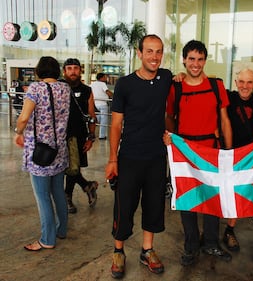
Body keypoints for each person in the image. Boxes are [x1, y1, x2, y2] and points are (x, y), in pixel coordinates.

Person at [105, 34, 173, 279]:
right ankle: (118, 251)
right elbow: (115, 125)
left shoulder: (166, 78)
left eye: (159, 52)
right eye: (150, 51)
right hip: (129, 157)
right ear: (139, 53)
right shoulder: (125, 84)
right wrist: (113, 159)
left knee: (154, 206)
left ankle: (147, 250)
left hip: (156, 157)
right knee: (124, 207)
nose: (154, 56)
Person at [164, 40, 233, 266]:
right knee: (188, 200)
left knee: (213, 197)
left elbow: (224, 120)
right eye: (191, 59)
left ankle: (211, 242)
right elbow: (169, 117)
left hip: (211, 150)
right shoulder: (176, 86)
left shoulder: (216, 85)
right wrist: (173, 141)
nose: (195, 64)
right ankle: (191, 246)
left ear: (205, 61)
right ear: (184, 60)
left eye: (200, 59)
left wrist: (229, 153)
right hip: (185, 153)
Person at [14, 56, 71, 250]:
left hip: (40, 153)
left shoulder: (36, 89)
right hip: (59, 150)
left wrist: (18, 132)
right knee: (58, 193)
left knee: (42, 196)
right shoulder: (65, 88)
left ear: (38, 72)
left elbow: (23, 118)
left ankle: (47, 239)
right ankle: (61, 230)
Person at [222, 68, 253, 252]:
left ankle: (230, 230)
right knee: (217, 193)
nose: (245, 86)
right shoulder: (228, 97)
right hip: (224, 154)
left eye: (249, 82)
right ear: (236, 83)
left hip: (246, 158)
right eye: (242, 82)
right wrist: (179, 76)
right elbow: (207, 79)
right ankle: (209, 232)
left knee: (236, 196)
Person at [63, 58, 98, 214]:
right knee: (69, 169)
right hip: (59, 135)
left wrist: (91, 136)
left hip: (78, 136)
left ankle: (67, 198)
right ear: (64, 71)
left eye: (75, 68)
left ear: (80, 70)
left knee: (73, 168)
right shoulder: (59, 87)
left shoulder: (87, 90)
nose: (72, 71)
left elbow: (91, 115)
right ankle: (87, 186)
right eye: (69, 68)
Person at [90, 73, 113, 140]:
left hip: (95, 104)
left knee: (95, 120)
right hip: (103, 104)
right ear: (101, 78)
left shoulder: (92, 84)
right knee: (103, 120)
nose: (106, 78)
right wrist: (114, 96)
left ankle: (92, 133)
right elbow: (107, 92)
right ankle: (102, 136)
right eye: (105, 77)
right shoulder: (103, 84)